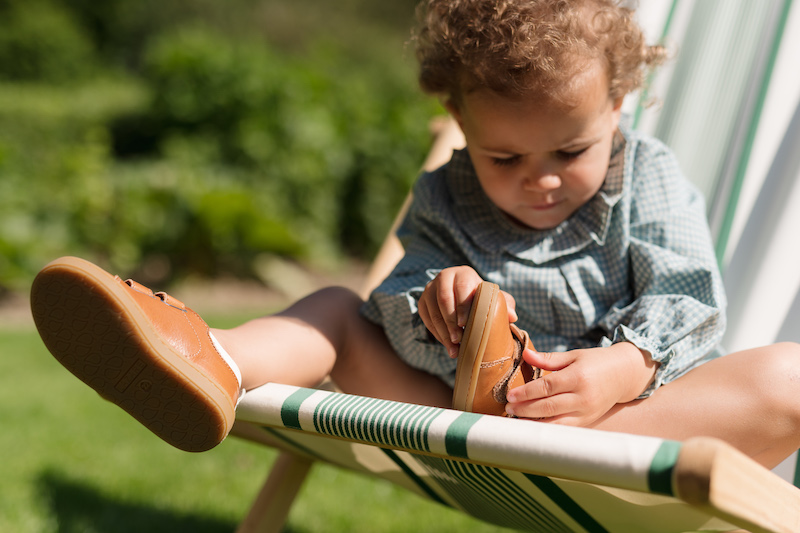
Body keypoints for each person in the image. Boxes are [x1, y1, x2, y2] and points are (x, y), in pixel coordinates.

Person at [30, 0, 800, 469]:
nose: (541, 179)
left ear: (619, 107)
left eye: (571, 151)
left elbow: (686, 293)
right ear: (460, 125)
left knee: (788, 378)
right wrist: (435, 297)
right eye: (504, 157)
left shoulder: (647, 178)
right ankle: (207, 360)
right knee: (336, 308)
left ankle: (592, 417)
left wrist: (624, 367)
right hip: (453, 420)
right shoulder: (446, 193)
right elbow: (392, 304)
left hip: (615, 429)